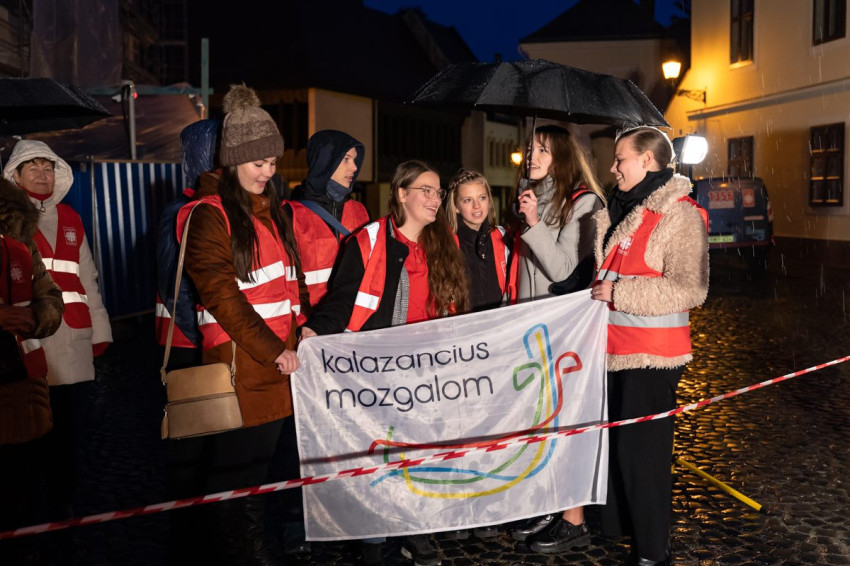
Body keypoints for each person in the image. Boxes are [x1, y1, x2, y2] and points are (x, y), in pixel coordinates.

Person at [302, 160, 470, 566]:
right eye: (425, 190)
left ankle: (416, 530)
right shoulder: (370, 240)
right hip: (378, 369)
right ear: (401, 194)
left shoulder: (445, 241)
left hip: (427, 369)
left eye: (438, 191)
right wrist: (314, 330)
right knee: (379, 453)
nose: (435, 199)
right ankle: (375, 541)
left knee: (420, 452)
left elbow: (455, 306)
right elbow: (343, 298)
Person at [176, 84, 304, 566]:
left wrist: (303, 330)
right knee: (231, 472)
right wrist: (276, 350)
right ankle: (234, 551)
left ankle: (249, 545)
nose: (268, 172)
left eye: (272, 162)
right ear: (232, 160)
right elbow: (222, 297)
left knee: (258, 468)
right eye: (258, 162)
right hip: (237, 367)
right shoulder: (209, 216)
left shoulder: (272, 212)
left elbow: (288, 285)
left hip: (276, 365)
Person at [591, 126, 708, 566]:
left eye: (620, 158)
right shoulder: (621, 209)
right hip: (612, 350)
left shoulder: (680, 215)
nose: (613, 167)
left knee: (643, 455)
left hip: (653, 356)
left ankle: (653, 550)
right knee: (618, 447)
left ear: (648, 160)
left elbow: (690, 289)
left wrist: (618, 293)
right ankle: (621, 528)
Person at [3, 140, 113, 523]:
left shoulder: (71, 218)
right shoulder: (7, 220)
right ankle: (27, 511)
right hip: (29, 342)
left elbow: (88, 278)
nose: (41, 174)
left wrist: (100, 331)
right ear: (15, 176)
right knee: (31, 430)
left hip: (72, 338)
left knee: (67, 429)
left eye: (47, 167)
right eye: (32, 167)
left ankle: (62, 502)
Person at [506, 125, 605, 552]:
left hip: (564, 332)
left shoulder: (584, 202)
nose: (531, 155)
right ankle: (547, 503)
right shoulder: (533, 198)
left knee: (565, 422)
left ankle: (573, 518)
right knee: (539, 421)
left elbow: (564, 269)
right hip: (531, 329)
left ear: (561, 156)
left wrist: (533, 222)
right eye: (530, 148)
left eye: (542, 150)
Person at [0, 177, 64, 562]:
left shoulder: (19, 232)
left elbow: (50, 296)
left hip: (25, 388)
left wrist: (36, 317)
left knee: (23, 501)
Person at [285, 129, 370, 309]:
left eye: (355, 160)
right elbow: (286, 283)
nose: (354, 167)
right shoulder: (291, 214)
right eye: (346, 159)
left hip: (354, 318)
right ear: (325, 161)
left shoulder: (360, 211)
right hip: (310, 320)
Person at [446, 169, 511, 313]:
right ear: (456, 207)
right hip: (462, 323)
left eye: (482, 198)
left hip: (500, 321)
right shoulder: (446, 243)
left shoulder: (502, 237)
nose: (477, 206)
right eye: (467, 200)